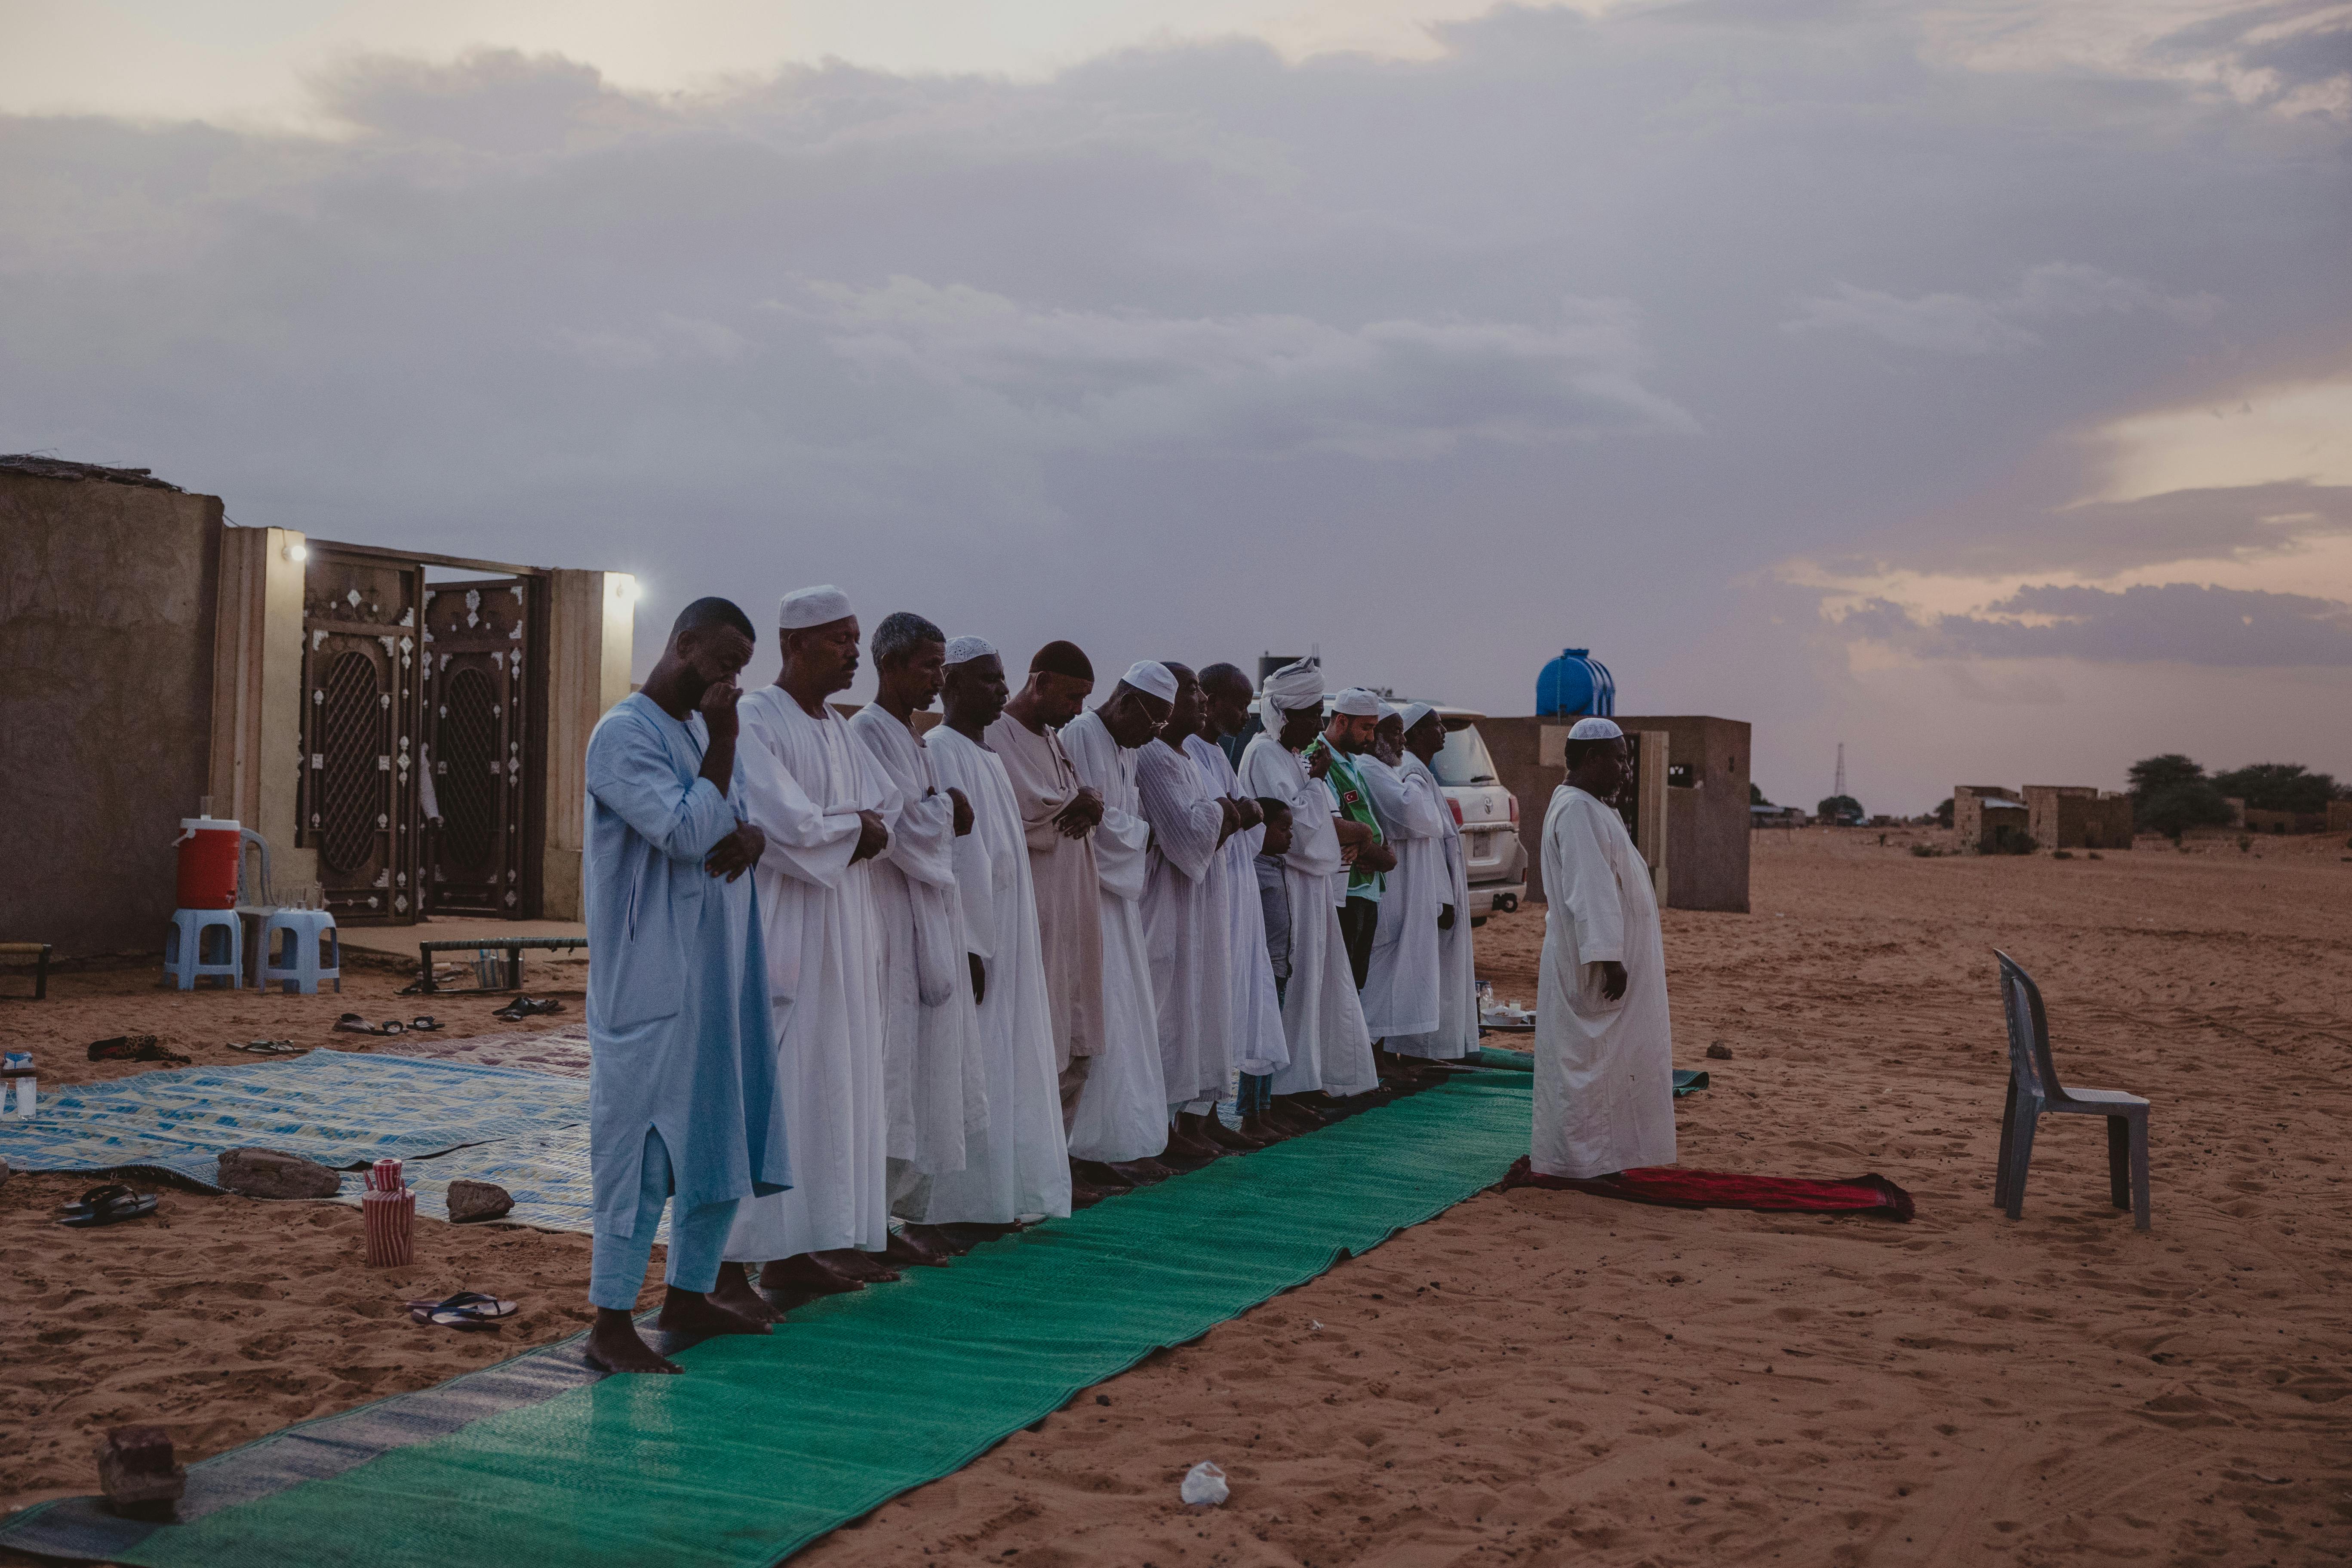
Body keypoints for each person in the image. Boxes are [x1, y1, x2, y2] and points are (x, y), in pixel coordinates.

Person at [580, 596, 787, 1374]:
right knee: (640, 1149)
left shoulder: (697, 734)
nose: (732, 679)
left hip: (714, 969)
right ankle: (608, 1320)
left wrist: (757, 834)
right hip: (650, 978)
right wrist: (727, 742)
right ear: (682, 644)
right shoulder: (623, 734)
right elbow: (685, 831)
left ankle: (689, 1292)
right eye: (723, 661)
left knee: (713, 1132)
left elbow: (735, 820)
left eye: (741, 667)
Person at [714, 586, 898, 1313]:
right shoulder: (755, 718)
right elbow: (782, 823)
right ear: (795, 644)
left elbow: (882, 811)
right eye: (840, 639)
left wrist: (851, 827)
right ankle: (725, 1266)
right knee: (774, 1094)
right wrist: (852, 830)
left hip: (844, 931)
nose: (855, 651)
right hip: (784, 929)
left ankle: (793, 1254)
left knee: (830, 1089)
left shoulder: (837, 727)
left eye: (857, 638)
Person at [901, 637, 1073, 1230]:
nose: (1002, 690)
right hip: (974, 941)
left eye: (1002, 679)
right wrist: (970, 944)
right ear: (949, 684)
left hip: (1010, 932)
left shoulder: (989, 756)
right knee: (969, 1068)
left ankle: (998, 1195)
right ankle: (958, 1205)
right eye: (987, 679)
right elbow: (955, 858)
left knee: (1008, 1061)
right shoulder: (941, 749)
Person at [845, 612, 987, 1265]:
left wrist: (944, 807)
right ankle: (864, 1225)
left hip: (929, 920)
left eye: (939, 665)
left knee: (927, 1072)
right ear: (894, 665)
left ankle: (903, 1220)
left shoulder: (914, 736)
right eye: (928, 666)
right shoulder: (866, 733)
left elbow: (920, 817)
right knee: (892, 1072)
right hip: (892, 924)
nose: (937, 677)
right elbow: (899, 831)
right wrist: (948, 808)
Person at [1533, 717, 1677, 1179]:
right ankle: (1581, 1163)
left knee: (1604, 1060)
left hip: (1599, 956)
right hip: (1591, 962)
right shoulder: (1576, 810)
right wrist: (1608, 956)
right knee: (1589, 1062)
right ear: (1592, 758)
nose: (1626, 769)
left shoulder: (1591, 807)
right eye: (1619, 759)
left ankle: (1603, 1157)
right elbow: (1588, 889)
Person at [1239, 660, 1378, 1122]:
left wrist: (1321, 794)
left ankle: (1308, 1077)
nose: (1318, 724)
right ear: (1285, 713)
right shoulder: (1263, 754)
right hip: (1287, 886)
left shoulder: (1294, 756)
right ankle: (1280, 1091)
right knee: (1292, 986)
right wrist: (1318, 785)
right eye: (1311, 713)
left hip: (1313, 888)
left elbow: (1324, 819)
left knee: (1316, 985)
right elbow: (1295, 829)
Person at [1057, 662, 1179, 1181]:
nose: (1153, 736)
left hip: (1120, 902)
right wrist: (1144, 835)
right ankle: (1083, 1150)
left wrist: (1138, 832)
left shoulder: (1125, 748)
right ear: (1127, 702)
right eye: (1153, 723)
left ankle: (1114, 1143)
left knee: (1126, 1022)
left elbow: (1116, 820)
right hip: (1092, 898)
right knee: (1096, 1024)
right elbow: (1088, 827)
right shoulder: (1084, 735)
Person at [985, 642, 1107, 1138]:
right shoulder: (996, 734)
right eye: (1073, 696)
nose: (1079, 710)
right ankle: (1025, 1169)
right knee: (1035, 1039)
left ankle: (1057, 1163)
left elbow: (1075, 805)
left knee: (1077, 1035)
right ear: (1039, 683)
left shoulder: (1054, 738)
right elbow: (1028, 811)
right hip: (1032, 914)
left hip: (1073, 908)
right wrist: (1079, 801)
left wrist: (1090, 800)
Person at [1132, 663, 1242, 1165]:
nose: (1200, 698)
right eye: (1191, 688)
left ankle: (1181, 1123)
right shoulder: (1153, 757)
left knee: (1196, 1007)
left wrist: (1224, 813)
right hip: (1167, 903)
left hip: (1200, 903)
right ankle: (1157, 1129)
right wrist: (1229, 812)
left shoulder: (1190, 758)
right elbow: (1188, 838)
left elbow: (1204, 827)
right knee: (1166, 1013)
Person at [1190, 662, 1288, 1147]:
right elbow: (1222, 819)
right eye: (1237, 701)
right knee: (1206, 1004)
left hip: (1235, 890)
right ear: (1206, 697)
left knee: (1230, 1004)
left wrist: (1241, 813)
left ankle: (1208, 1117)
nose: (1245, 712)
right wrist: (1241, 813)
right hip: (1209, 896)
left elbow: (1247, 817)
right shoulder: (1185, 748)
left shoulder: (1216, 752)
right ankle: (1190, 1121)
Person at [1359, 705, 1447, 1083]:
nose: (1401, 740)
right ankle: (1370, 1057)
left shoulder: (1392, 771)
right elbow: (1414, 815)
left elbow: (1432, 823)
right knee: (1380, 974)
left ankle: (1381, 1054)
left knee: (1393, 973)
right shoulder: (1371, 769)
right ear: (1373, 735)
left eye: (1401, 732)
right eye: (1393, 733)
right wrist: (1416, 788)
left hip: (1410, 886)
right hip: (1391, 887)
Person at [1388, 703, 1478, 1061]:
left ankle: (1433, 1051)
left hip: (1442, 888)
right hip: (1432, 891)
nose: (1442, 732)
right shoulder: (1410, 770)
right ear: (1413, 735)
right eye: (1435, 726)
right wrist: (1443, 898)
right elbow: (1426, 841)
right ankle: (1420, 1052)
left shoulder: (1420, 771)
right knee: (1431, 976)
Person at [1308, 688, 1398, 990]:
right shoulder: (1318, 759)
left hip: (1364, 889)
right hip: (1344, 891)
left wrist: (1373, 848)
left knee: (1355, 985)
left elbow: (1363, 828)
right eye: (1367, 728)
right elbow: (1332, 828)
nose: (1372, 738)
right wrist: (1381, 855)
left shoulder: (1350, 763)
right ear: (1342, 721)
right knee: (1339, 988)